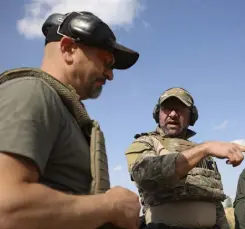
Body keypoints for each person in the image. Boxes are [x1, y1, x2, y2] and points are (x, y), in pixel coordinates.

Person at [0, 11, 142, 229]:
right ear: (67, 49)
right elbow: (6, 208)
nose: (110, 75)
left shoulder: (64, 110)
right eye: (105, 61)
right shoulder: (32, 93)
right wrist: (110, 206)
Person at [124, 87, 245, 229]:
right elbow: (144, 174)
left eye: (180, 109)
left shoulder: (204, 152)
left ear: (191, 116)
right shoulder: (146, 142)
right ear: (158, 114)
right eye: (167, 109)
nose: (173, 114)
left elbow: (214, 197)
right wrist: (205, 148)